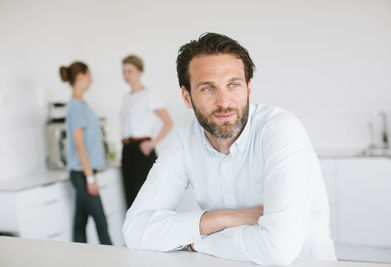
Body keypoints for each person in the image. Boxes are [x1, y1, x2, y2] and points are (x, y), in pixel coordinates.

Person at [123, 33, 336, 265]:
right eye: (208, 88)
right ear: (187, 96)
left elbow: (278, 249)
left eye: (233, 85)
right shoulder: (184, 141)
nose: (224, 101)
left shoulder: (280, 129)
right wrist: (226, 218)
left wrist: (196, 243)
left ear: (249, 89)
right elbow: (135, 230)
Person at [61, 62, 112, 245]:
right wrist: (90, 178)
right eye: (89, 75)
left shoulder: (81, 104)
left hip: (83, 172)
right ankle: (113, 258)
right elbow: (79, 144)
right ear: (81, 77)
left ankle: (78, 258)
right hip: (82, 174)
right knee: (101, 221)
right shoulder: (75, 106)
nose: (92, 79)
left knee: (80, 222)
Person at [120, 55, 173, 209]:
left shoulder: (149, 95)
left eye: (130, 71)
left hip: (142, 150)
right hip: (127, 150)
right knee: (130, 199)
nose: (126, 75)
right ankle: (135, 233)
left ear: (139, 71)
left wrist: (152, 143)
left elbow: (168, 123)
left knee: (145, 199)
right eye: (124, 71)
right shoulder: (126, 98)